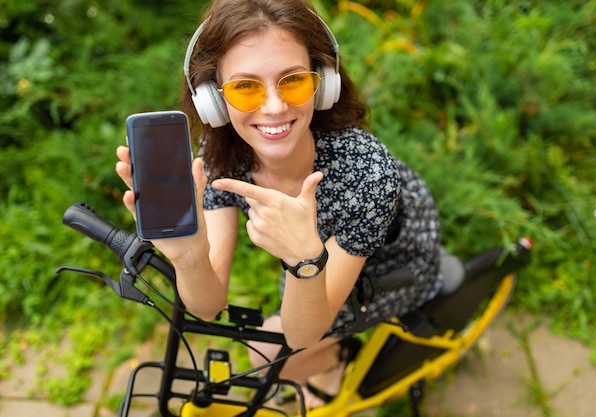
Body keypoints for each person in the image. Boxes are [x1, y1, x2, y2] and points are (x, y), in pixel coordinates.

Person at [115, 0, 442, 409]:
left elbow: (301, 333)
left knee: (269, 355)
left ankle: (338, 358)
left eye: (293, 81)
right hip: (308, 250)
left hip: (394, 259)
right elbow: (208, 305)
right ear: (212, 99)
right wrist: (191, 256)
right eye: (245, 87)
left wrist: (304, 259)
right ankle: (326, 355)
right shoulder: (221, 154)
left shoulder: (368, 172)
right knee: (275, 342)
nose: (273, 107)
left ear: (323, 81)